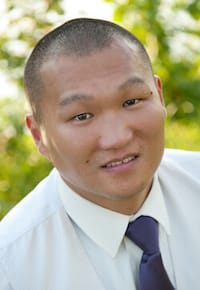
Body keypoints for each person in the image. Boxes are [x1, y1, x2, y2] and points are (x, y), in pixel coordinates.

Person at [0, 18, 199, 290]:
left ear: (159, 97)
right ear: (38, 135)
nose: (117, 138)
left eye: (132, 101)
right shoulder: (12, 267)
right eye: (82, 116)